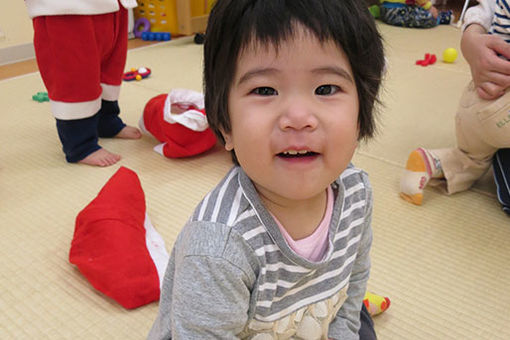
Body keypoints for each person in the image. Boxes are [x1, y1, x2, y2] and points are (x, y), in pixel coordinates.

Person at [148, 0, 385, 339]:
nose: (298, 118)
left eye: (326, 89)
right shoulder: (220, 248)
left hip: (312, 312)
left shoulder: (357, 193)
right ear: (225, 125)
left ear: (362, 114)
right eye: (264, 90)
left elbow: (354, 279)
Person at [400, 0, 510, 215]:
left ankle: (432, 161)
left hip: (479, 98)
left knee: (470, 157)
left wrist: (470, 39)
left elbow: (480, 12)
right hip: (503, 107)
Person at [25, 0, 142, 167]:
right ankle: (80, 144)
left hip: (111, 8)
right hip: (65, 10)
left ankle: (106, 121)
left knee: (109, 68)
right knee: (74, 77)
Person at [379, 0, 453, 28]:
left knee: (417, 9)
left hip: (384, 9)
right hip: (396, 12)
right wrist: (429, 7)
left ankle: (438, 14)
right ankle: (439, 18)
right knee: (427, 18)